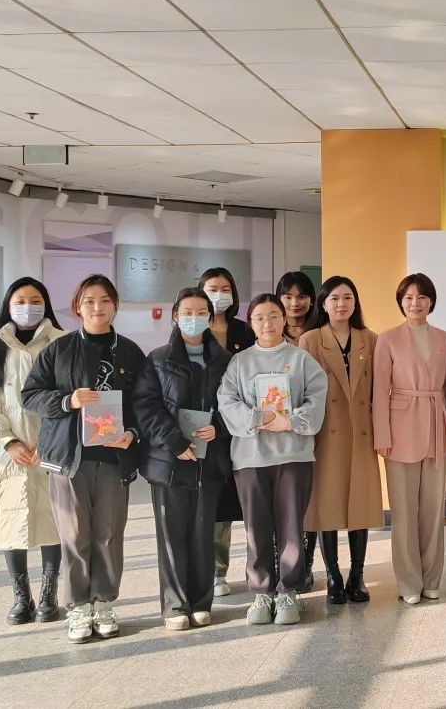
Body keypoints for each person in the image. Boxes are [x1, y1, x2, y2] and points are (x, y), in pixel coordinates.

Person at [21, 274, 146, 644]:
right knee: (75, 536)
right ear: (78, 306)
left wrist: (132, 433)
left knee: (109, 533)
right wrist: (67, 401)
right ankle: (78, 606)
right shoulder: (58, 350)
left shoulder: (130, 352)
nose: (97, 307)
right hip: (69, 458)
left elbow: (145, 402)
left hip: (114, 458)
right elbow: (30, 395)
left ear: (115, 305)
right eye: (89, 300)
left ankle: (103, 602)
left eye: (105, 300)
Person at [217, 294, 327, 626]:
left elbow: (317, 399)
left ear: (283, 319)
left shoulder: (301, 359)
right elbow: (227, 401)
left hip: (293, 456)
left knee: (292, 526)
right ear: (251, 323)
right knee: (256, 527)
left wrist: (289, 421)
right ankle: (262, 592)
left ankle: (289, 591)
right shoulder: (239, 362)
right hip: (251, 458)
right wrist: (258, 418)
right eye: (260, 318)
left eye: (274, 316)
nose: (268, 324)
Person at [0, 277, 65, 625]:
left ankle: (49, 594)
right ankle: (21, 597)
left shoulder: (62, 342)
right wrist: (7, 442)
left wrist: (50, 440)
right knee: (9, 519)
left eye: (35, 300)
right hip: (7, 454)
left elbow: (71, 397)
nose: (28, 307)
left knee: (54, 521)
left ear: (46, 304)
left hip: (50, 452)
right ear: (8, 306)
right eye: (20, 301)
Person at [136, 288, 232, 631]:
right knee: (171, 534)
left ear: (210, 316)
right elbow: (145, 406)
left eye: (201, 312)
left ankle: (202, 601)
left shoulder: (224, 360)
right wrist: (174, 441)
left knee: (204, 532)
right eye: (187, 312)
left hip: (210, 460)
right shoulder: (158, 359)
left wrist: (219, 426)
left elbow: (235, 402)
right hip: (169, 461)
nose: (194, 318)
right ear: (175, 316)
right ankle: (176, 604)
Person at [373, 274, 446, 605]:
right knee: (404, 512)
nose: (415, 303)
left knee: (434, 511)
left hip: (436, 424)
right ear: (400, 302)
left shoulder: (445, 338)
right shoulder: (388, 339)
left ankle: (432, 579)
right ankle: (408, 582)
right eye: (408, 297)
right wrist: (382, 434)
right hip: (399, 429)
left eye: (421, 297)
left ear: (431, 301)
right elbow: (380, 391)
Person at [300, 276, 382, 604]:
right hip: (325, 433)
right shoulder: (310, 340)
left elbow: (379, 392)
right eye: (334, 298)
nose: (341, 304)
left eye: (347, 297)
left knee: (360, 503)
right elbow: (301, 392)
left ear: (355, 302)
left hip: (362, 431)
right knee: (327, 505)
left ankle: (357, 575)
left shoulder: (370, 339)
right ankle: (333, 575)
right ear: (323, 304)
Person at [198, 267, 254, 598]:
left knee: (239, 498)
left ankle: (249, 568)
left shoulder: (244, 330)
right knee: (212, 501)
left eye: (224, 289)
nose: (218, 295)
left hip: (241, 425)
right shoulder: (194, 328)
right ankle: (214, 570)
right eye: (211, 288)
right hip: (205, 426)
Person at [277, 271, 320, 344]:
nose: (294, 304)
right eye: (288, 297)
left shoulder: (321, 331)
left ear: (312, 300)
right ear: (279, 300)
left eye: (301, 297)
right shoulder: (270, 330)